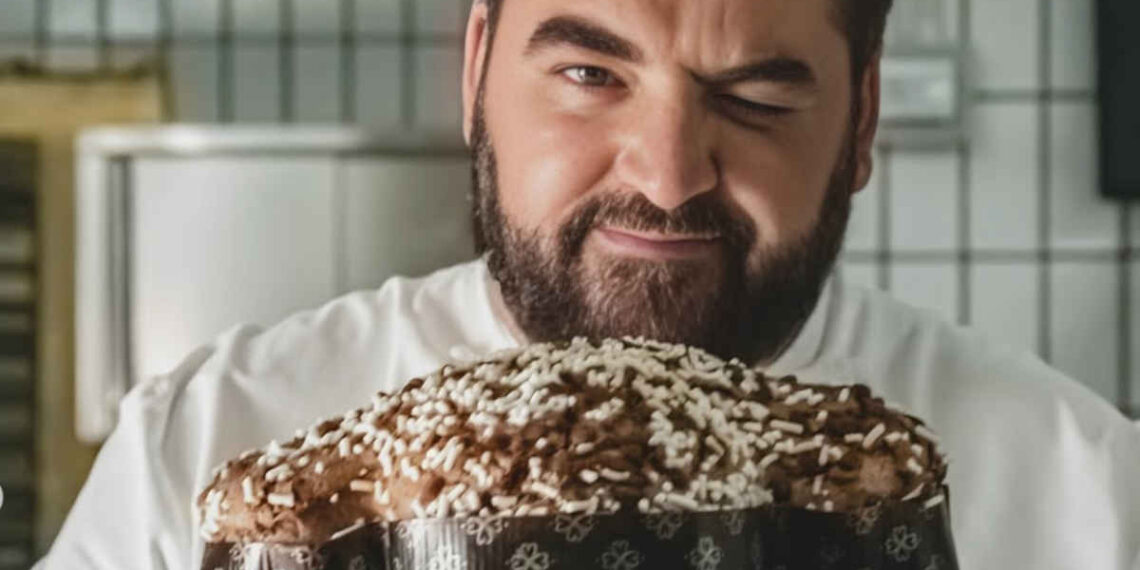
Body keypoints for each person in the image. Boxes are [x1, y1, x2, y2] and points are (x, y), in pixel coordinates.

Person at [39, 0, 1140, 568]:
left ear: (860, 122)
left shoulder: (1084, 496)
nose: (667, 176)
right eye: (588, 75)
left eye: (755, 96)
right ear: (477, 72)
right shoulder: (206, 452)